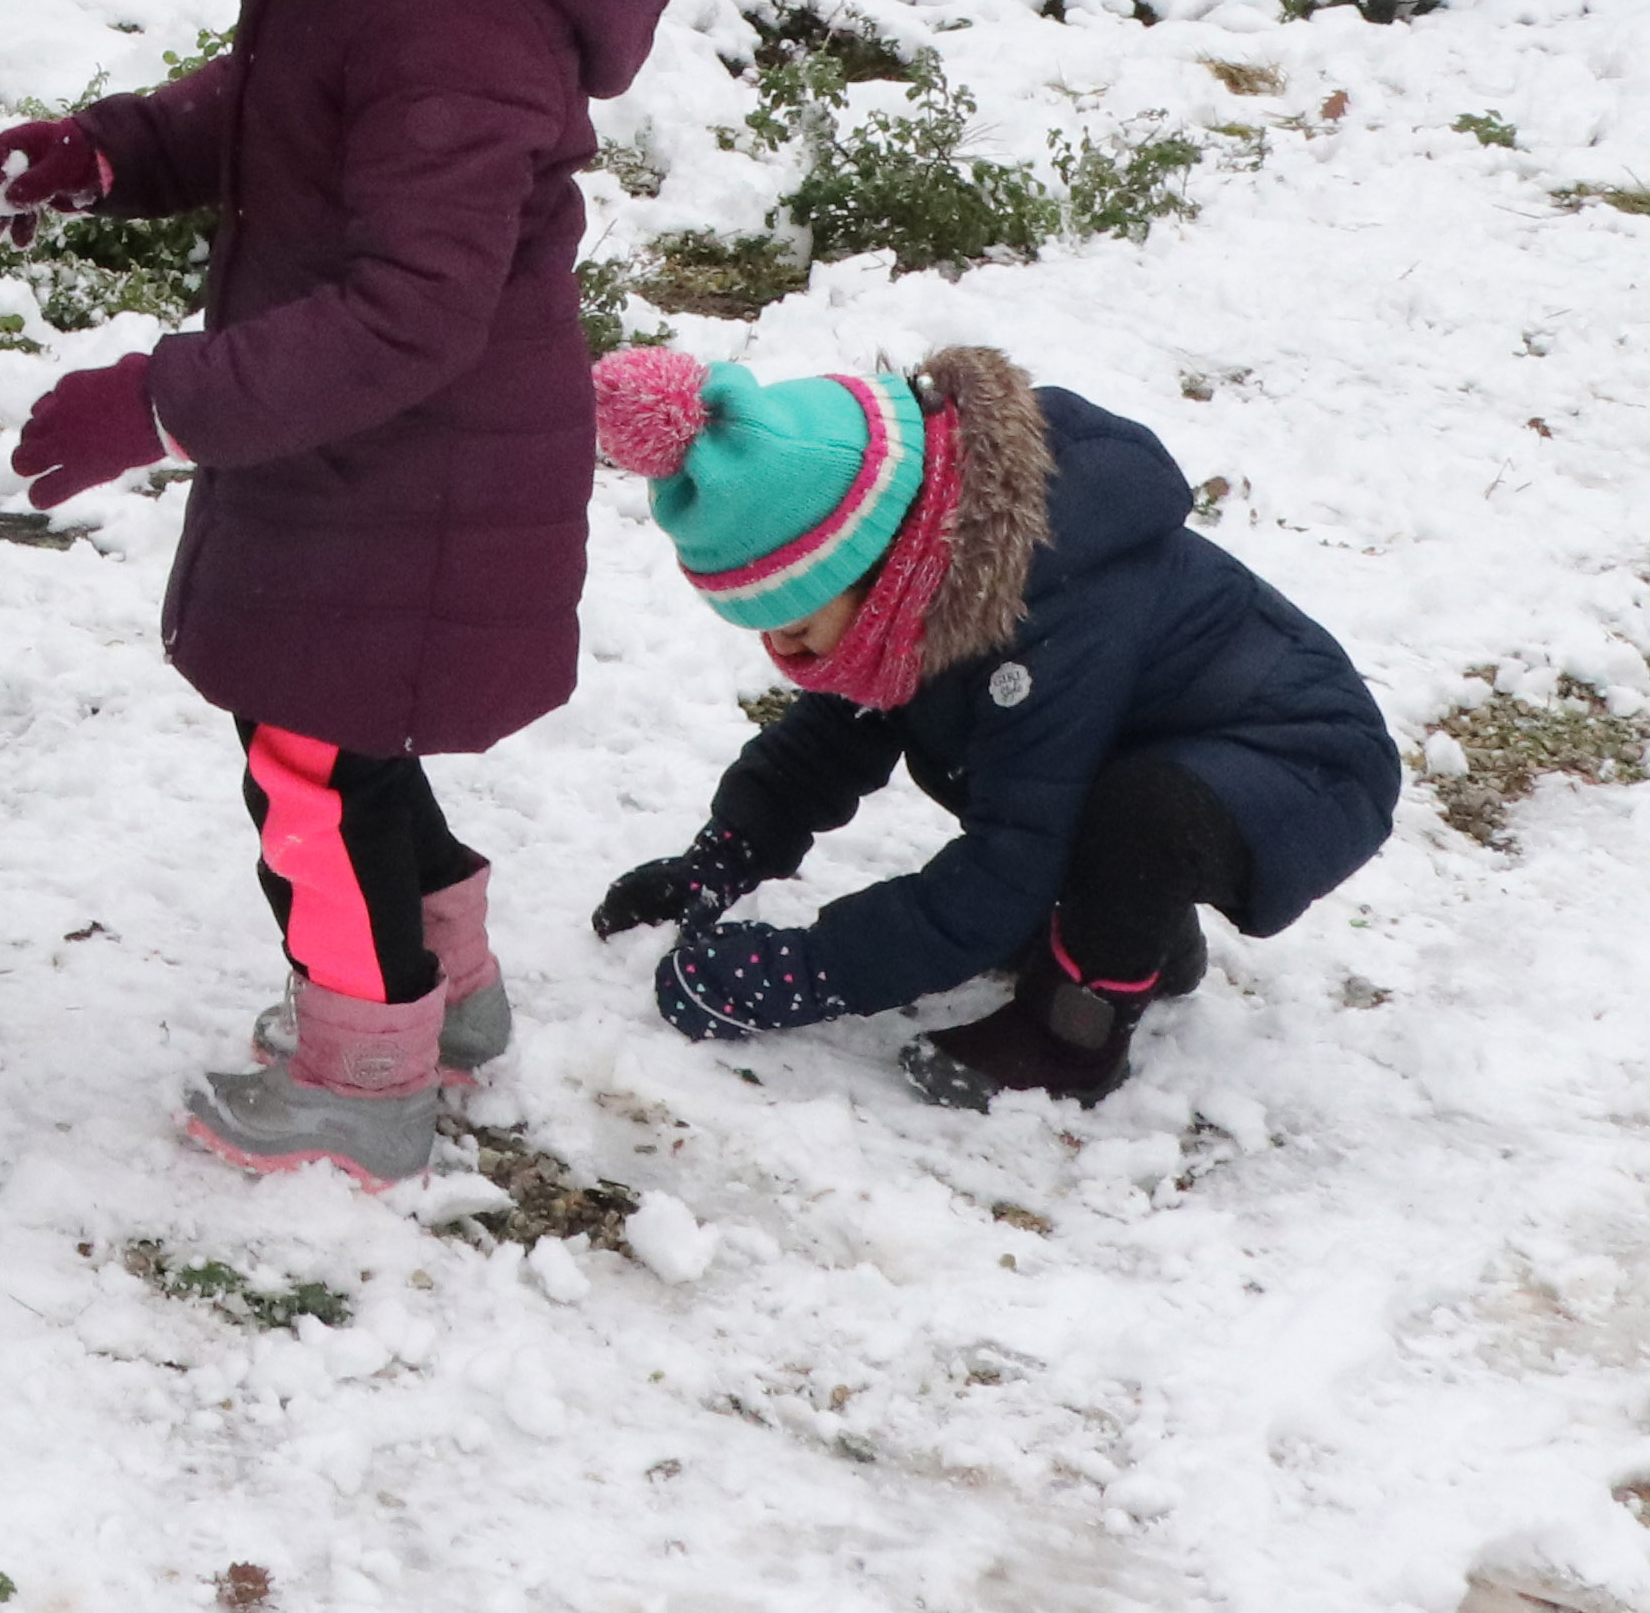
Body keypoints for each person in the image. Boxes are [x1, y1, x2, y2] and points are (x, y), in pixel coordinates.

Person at [0, 0, 679, 1183]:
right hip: (365, 462)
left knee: (305, 760)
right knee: (345, 742)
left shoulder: (460, 12)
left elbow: (411, 310)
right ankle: (450, 986)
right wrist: (116, 152)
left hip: (401, 467)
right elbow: (279, 100)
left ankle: (364, 1073)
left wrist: (160, 399)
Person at [584, 343, 1402, 1108]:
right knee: (1032, 770)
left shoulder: (1046, 615)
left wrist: (808, 972)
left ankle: (1073, 1036)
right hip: (1173, 740)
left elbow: (1005, 864)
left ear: (874, 563)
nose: (785, 649)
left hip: (1306, 763)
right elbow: (829, 741)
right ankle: (1136, 937)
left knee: (1138, 813)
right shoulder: (920, 584)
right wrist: (719, 861)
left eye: (796, 620)